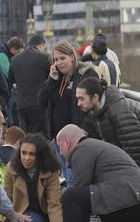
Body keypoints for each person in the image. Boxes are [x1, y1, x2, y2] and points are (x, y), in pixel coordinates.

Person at [76, 77, 140, 186]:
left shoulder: (118, 112)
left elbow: (135, 148)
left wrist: (131, 176)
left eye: (81, 99)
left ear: (95, 97)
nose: (78, 103)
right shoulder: (96, 111)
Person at [38, 40, 99, 186]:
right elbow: (41, 100)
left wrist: (83, 130)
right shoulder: (57, 77)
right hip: (60, 139)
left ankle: (78, 208)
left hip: (77, 138)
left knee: (74, 181)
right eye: (56, 59)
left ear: (72, 56)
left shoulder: (85, 73)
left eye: (62, 58)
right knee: (67, 176)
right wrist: (52, 81)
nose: (59, 63)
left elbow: (94, 106)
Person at [4, 133, 62, 222]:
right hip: (21, 212)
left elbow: (54, 202)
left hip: (46, 211)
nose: (26, 158)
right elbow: (7, 197)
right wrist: (11, 217)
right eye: (23, 153)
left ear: (40, 155)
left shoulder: (51, 170)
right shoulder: (11, 168)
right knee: (34, 221)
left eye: (32, 154)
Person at [9, 35, 51, 134]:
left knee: (25, 135)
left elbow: (11, 80)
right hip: (38, 103)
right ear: (40, 46)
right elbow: (51, 79)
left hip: (21, 104)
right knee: (39, 136)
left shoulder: (14, 59)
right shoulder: (44, 58)